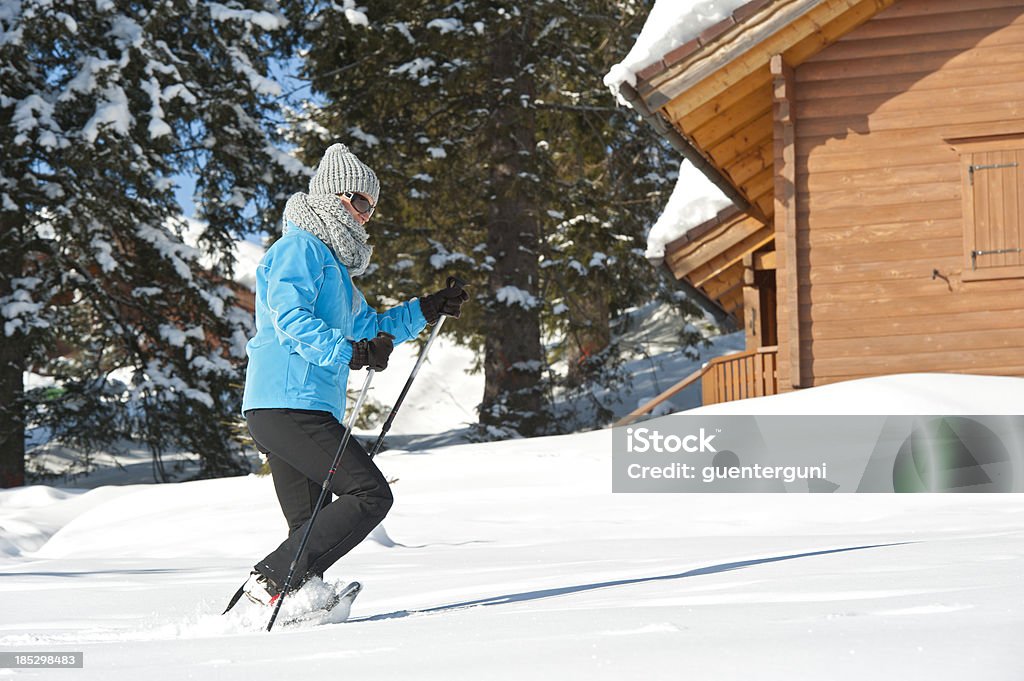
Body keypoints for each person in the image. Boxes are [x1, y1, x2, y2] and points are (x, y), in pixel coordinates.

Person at [228, 143, 468, 611]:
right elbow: (289, 318)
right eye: (360, 203)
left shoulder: (336, 272)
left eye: (371, 208)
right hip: (288, 402)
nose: (365, 216)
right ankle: (272, 580)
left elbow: (370, 329)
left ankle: (284, 603)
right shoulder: (299, 249)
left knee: (310, 525)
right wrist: (348, 352)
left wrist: (427, 307)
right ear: (333, 196)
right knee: (369, 494)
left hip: (294, 405)